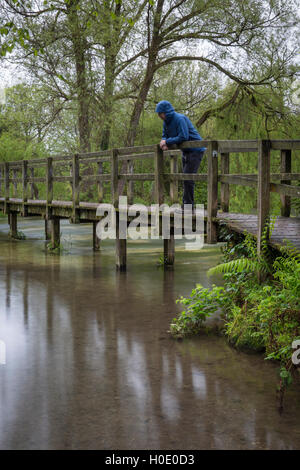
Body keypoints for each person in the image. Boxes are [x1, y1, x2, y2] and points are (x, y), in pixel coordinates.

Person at [155, 100, 206, 210]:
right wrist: (163, 142)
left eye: (160, 113)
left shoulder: (180, 119)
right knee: (185, 178)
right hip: (186, 151)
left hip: (196, 150)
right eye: (158, 114)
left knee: (188, 178)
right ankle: (186, 206)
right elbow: (164, 135)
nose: (159, 116)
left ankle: (188, 207)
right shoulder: (166, 122)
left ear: (166, 112)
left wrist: (167, 142)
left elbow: (184, 136)